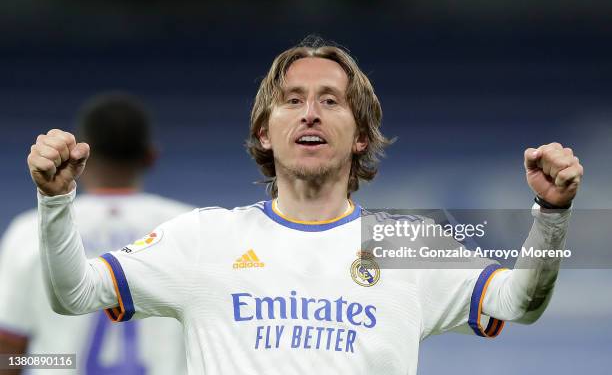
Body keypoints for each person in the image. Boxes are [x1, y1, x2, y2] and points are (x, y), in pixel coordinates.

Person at [26, 38, 583, 375]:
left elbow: (518, 301)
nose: (310, 113)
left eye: (331, 101)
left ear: (361, 135)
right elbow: (75, 294)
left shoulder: (405, 245)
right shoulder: (204, 239)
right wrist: (56, 202)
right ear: (265, 133)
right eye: (292, 101)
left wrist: (551, 214)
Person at [1, 93, 190, 375]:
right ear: (150, 156)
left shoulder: (30, 229)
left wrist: (54, 360)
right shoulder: (191, 227)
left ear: (81, 153)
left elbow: (9, 350)